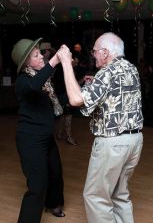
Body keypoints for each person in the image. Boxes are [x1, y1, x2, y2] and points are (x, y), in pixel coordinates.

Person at [57, 32, 144, 223]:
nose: (93, 54)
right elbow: (112, 96)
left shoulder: (106, 73)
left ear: (105, 52)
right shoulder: (131, 68)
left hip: (113, 144)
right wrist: (91, 85)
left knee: (96, 197)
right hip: (134, 140)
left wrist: (65, 63)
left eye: (95, 51)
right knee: (119, 194)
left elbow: (75, 100)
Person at [12, 38, 65, 223]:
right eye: (36, 55)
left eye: (40, 53)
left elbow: (56, 102)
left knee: (55, 172)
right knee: (37, 185)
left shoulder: (44, 80)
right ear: (26, 62)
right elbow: (34, 87)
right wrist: (54, 61)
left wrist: (82, 86)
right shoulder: (23, 81)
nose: (41, 56)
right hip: (30, 140)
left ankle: (53, 204)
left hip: (46, 136)